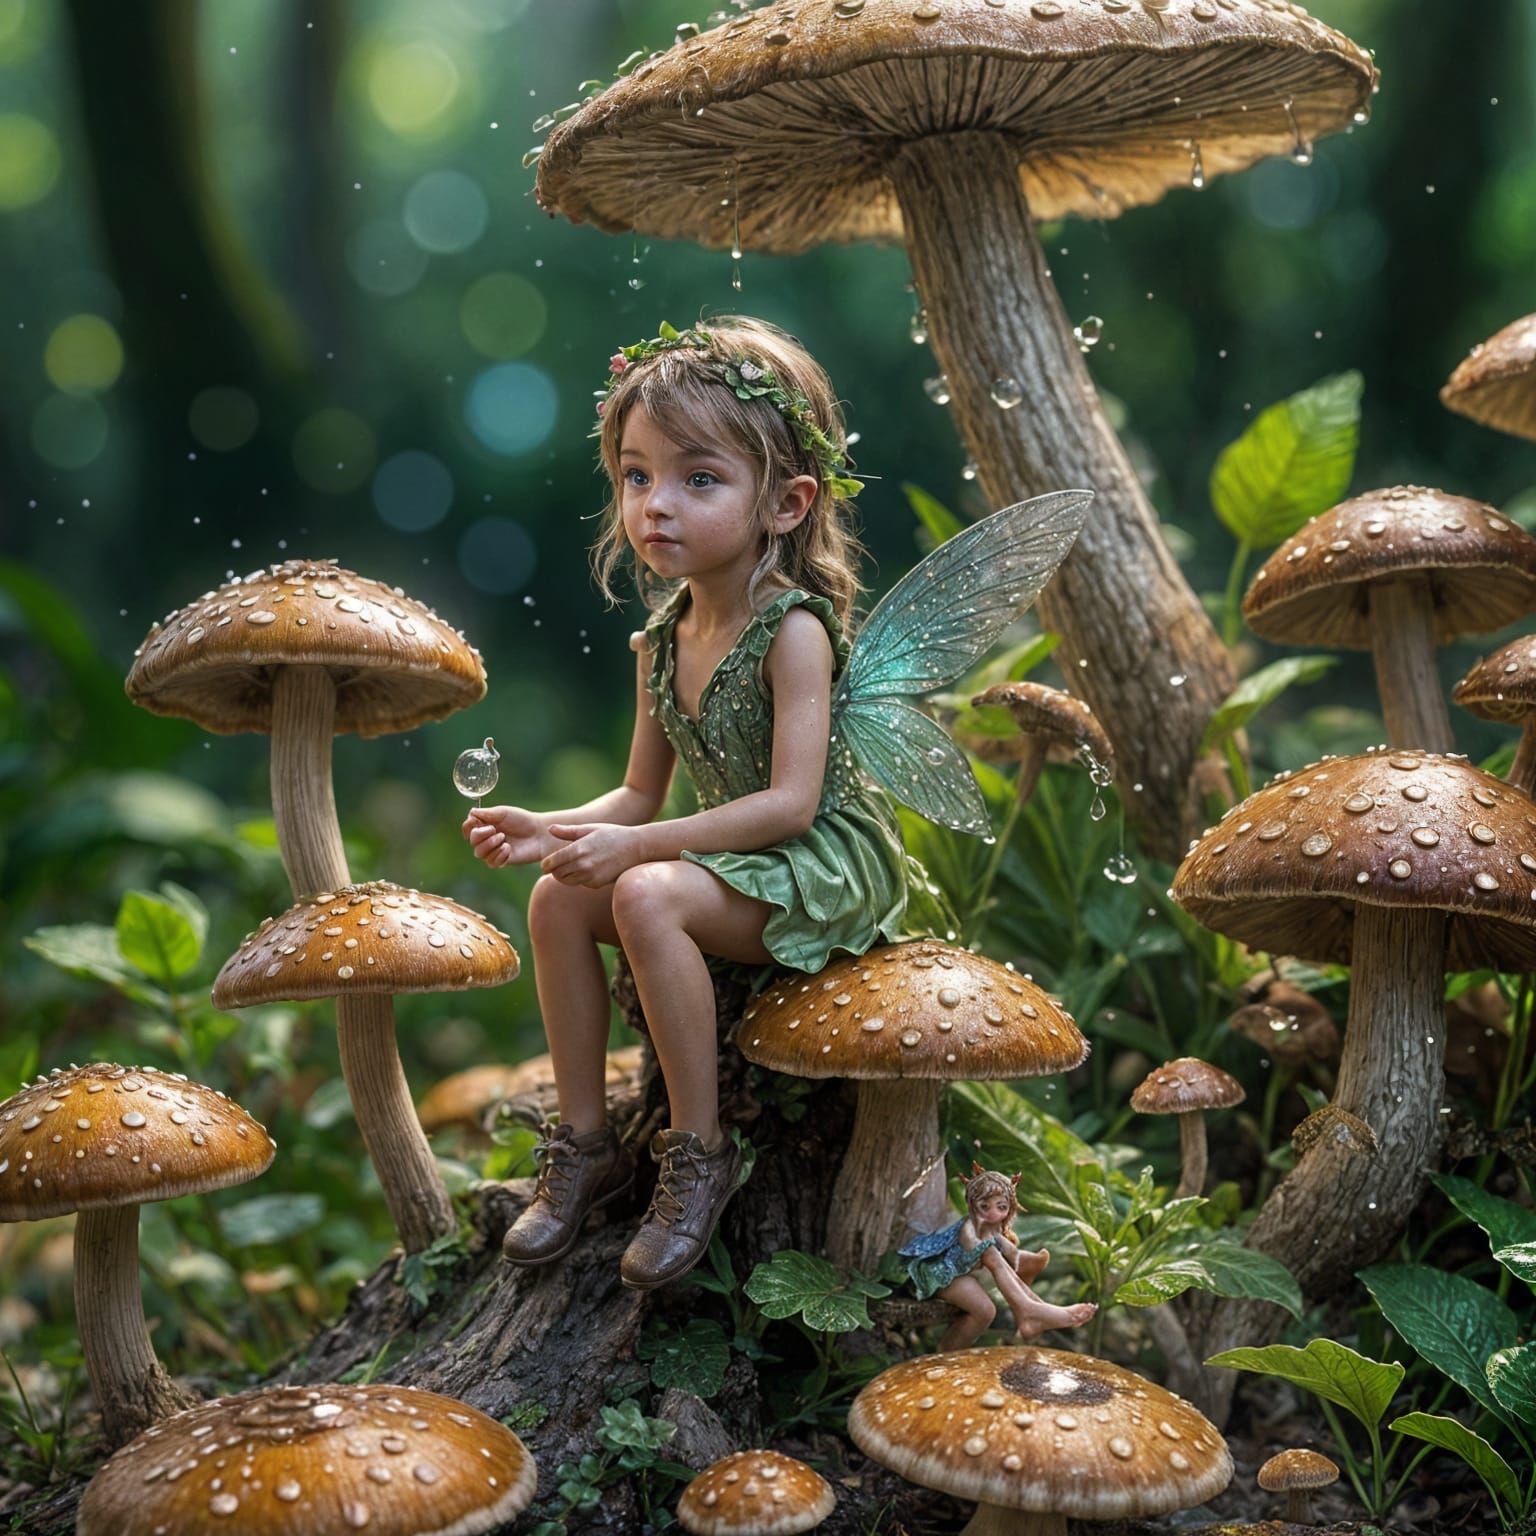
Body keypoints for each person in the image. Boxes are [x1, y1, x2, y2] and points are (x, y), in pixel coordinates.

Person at [463, 316, 923, 1290]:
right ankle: (583, 1142)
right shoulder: (663, 640)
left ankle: (697, 1154)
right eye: (636, 476)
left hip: (814, 866)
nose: (654, 505)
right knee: (556, 897)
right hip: (725, 856)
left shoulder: (793, 632)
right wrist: (554, 828)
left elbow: (792, 805)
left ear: (787, 503)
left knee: (644, 897)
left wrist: (636, 853)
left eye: (697, 479)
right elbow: (640, 792)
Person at [901, 1165, 1097, 1352]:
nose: (993, 1213)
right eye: (985, 1206)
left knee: (985, 1311)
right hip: (934, 1275)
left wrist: (1018, 1258)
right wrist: (998, 1251)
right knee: (991, 1253)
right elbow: (973, 1249)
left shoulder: (992, 1231)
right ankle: (1028, 1310)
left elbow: (1009, 1252)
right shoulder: (968, 1227)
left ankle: (948, 1355)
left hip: (959, 1278)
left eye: (1001, 1207)